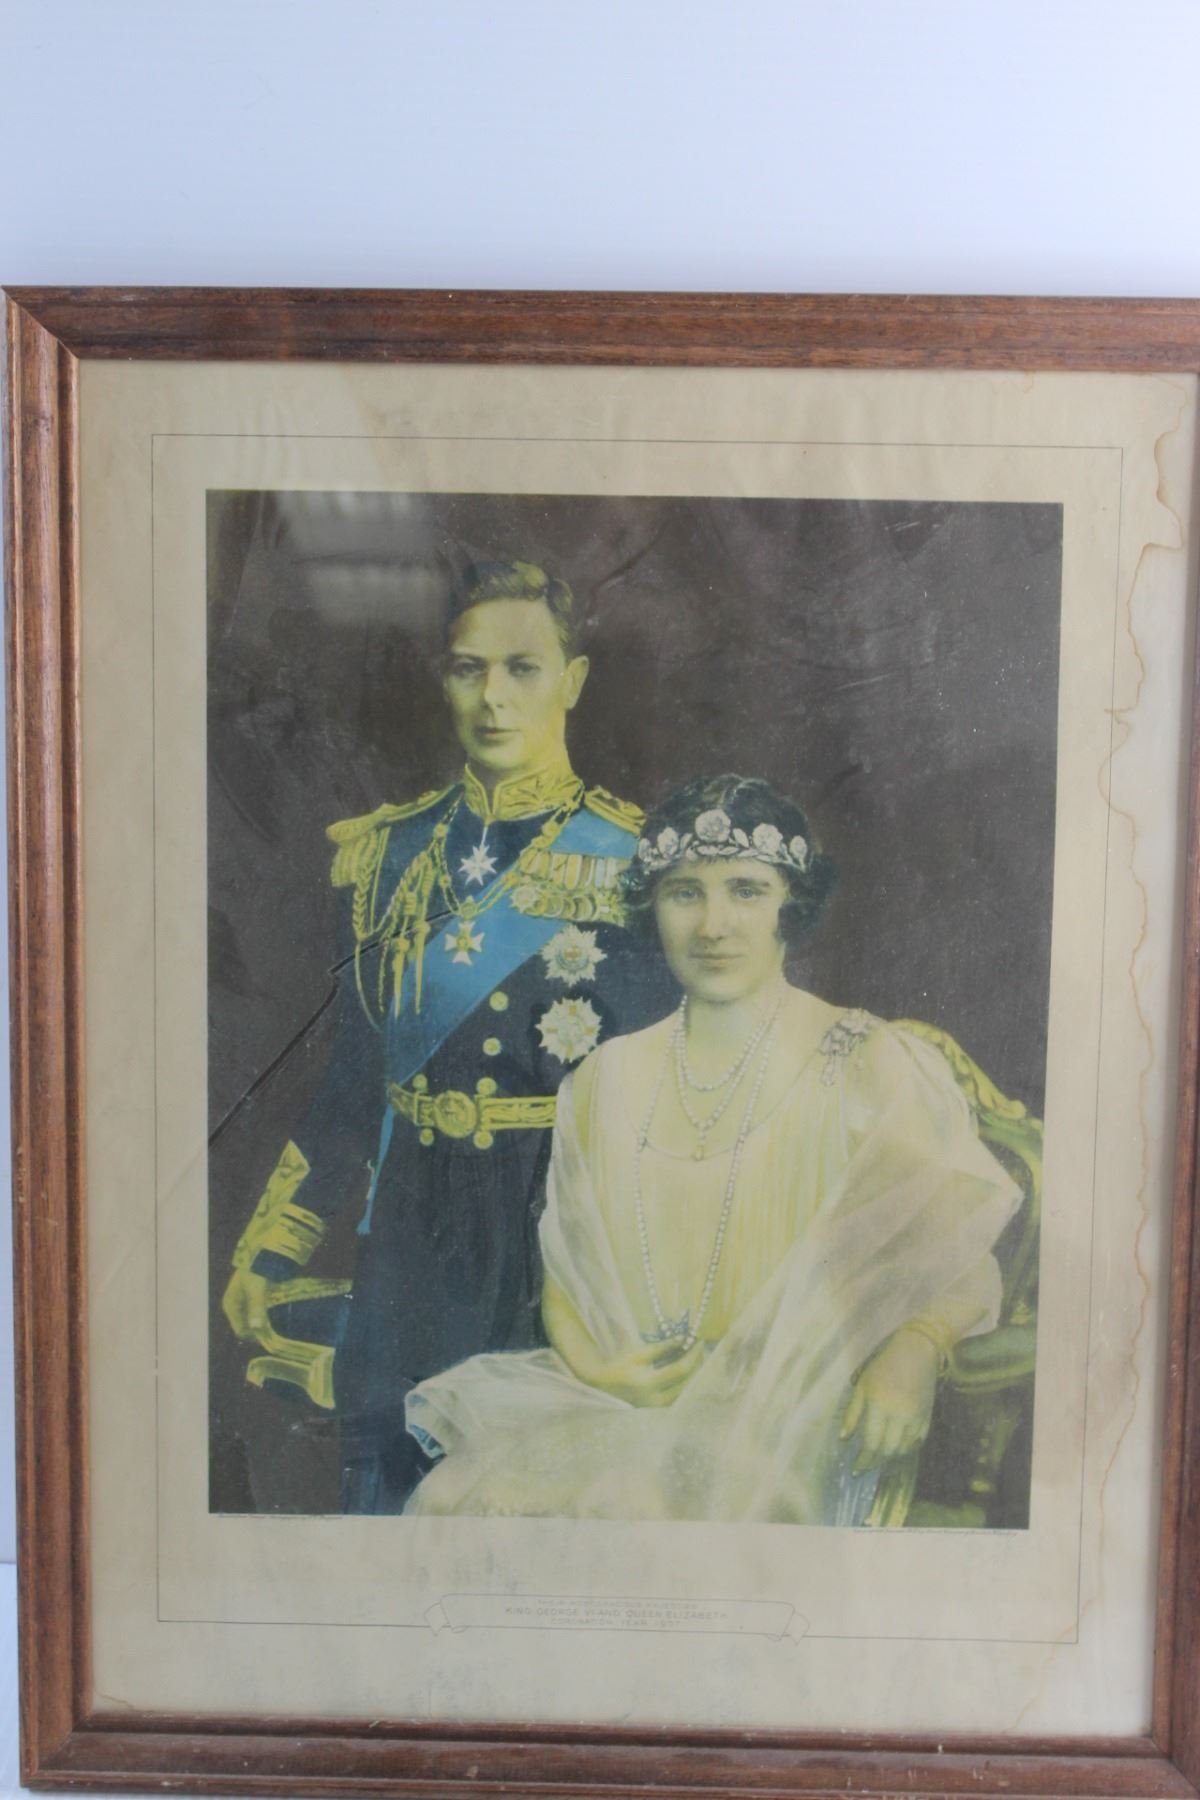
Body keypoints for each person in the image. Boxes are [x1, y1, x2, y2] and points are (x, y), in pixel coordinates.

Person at [403, 774, 1023, 1523]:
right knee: (457, 1497)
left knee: (625, 1505)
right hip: (623, 1408)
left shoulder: (864, 1058)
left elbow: (960, 1256)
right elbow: (568, 1276)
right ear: (652, 906)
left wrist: (917, 1347)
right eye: (684, 893)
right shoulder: (604, 1077)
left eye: (747, 891)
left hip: (791, 1420)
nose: (713, 925)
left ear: (791, 906)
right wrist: (602, 1370)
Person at [220, 559, 669, 1512]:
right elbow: (356, 1076)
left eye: (523, 669)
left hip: (555, 1237)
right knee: (390, 1499)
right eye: (471, 669)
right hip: (409, 1235)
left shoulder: (635, 865)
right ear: (446, 680)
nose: (494, 697)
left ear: (573, 682)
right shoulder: (386, 855)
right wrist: (275, 1243)